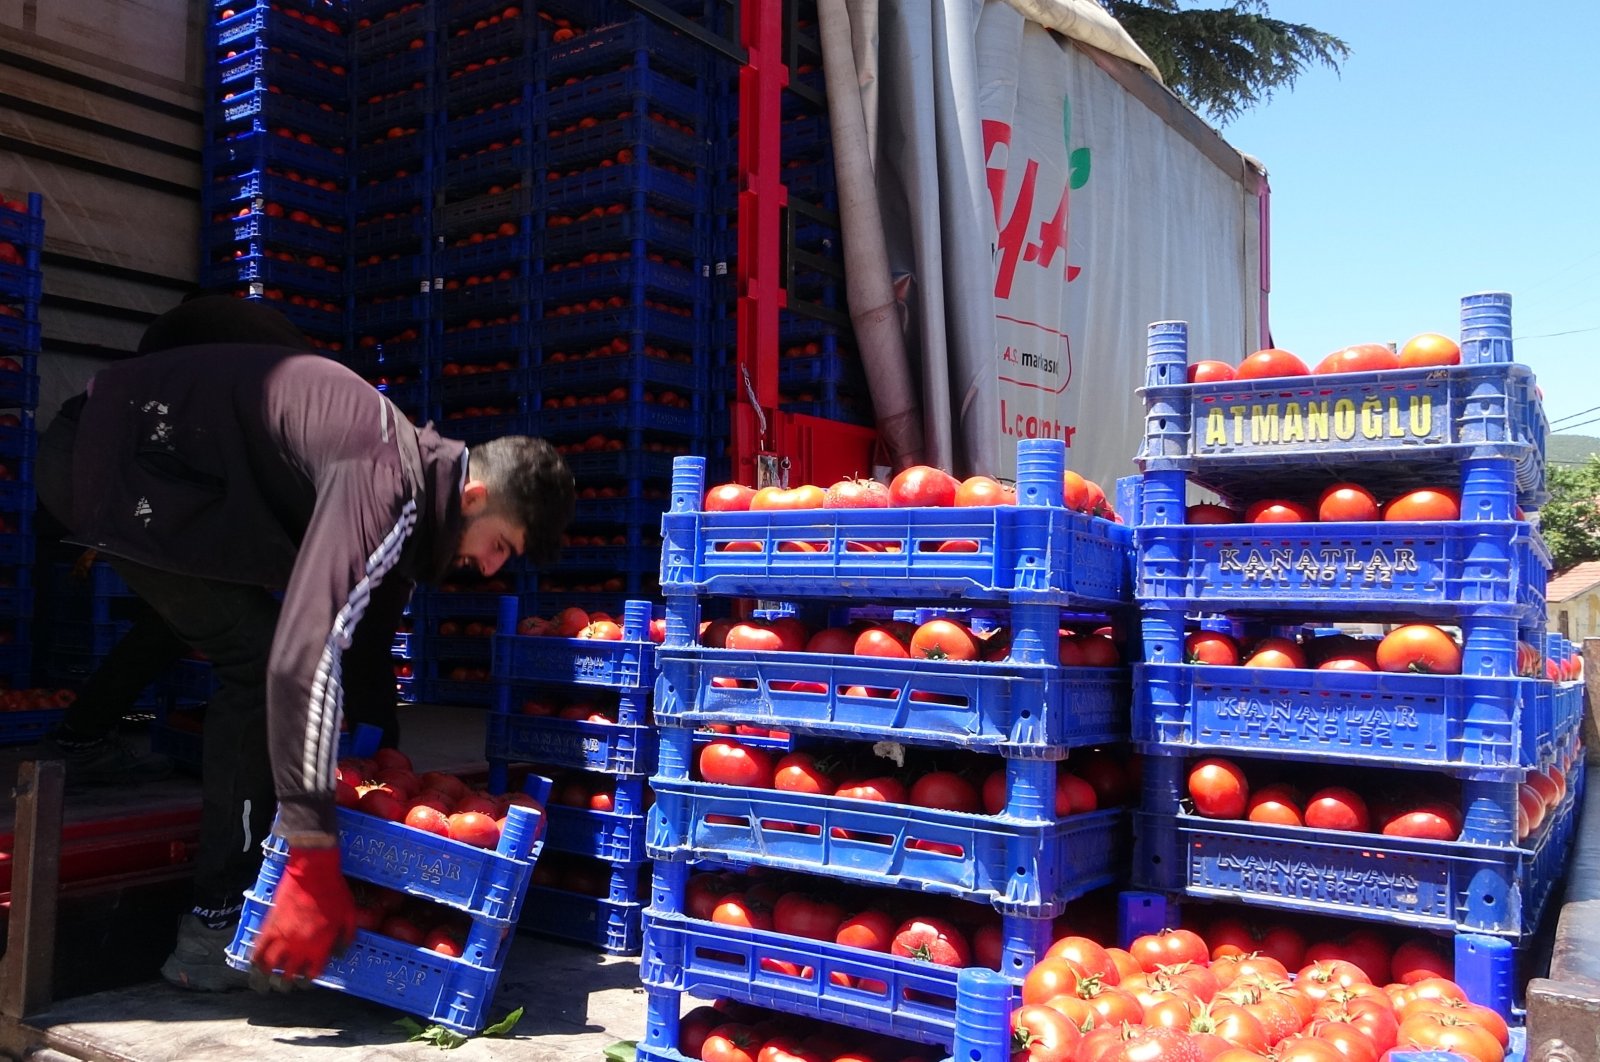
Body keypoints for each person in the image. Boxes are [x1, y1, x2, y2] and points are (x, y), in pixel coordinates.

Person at [34, 294, 575, 991]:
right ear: (473, 494)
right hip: (112, 458)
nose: (493, 568)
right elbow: (304, 656)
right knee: (258, 657)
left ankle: (193, 872)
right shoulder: (386, 478)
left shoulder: (406, 476)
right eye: (501, 545)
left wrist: (368, 743)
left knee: (227, 626)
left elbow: (359, 626)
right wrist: (312, 855)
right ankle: (212, 924)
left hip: (151, 472)